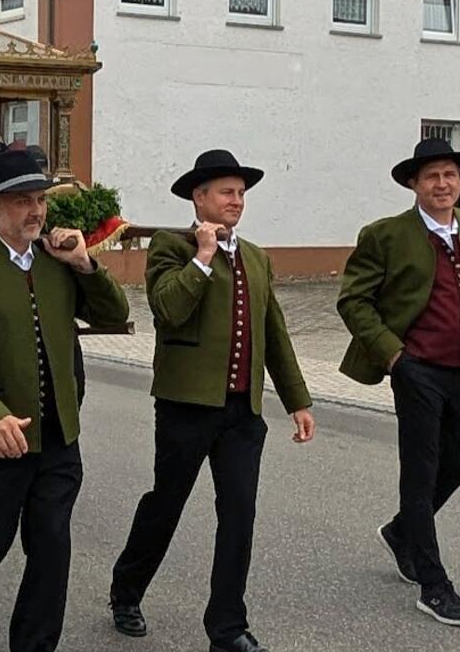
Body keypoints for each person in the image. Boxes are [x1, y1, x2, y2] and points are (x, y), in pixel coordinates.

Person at [0, 150, 129, 652]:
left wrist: (84, 263)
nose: (35, 211)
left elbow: (114, 314)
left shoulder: (59, 261)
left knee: (51, 545)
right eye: (21, 201)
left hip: (58, 438)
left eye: (40, 200)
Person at [109, 150, 316, 652]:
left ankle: (227, 627)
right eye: (227, 192)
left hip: (242, 413)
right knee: (166, 504)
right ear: (198, 197)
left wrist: (297, 399)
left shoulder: (256, 258)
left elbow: (274, 332)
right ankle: (126, 590)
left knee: (239, 514)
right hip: (185, 406)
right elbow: (168, 309)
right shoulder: (171, 247)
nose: (236, 200)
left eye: (241, 193)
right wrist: (202, 257)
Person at [337, 138, 460, 627]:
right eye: (432, 176)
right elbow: (354, 301)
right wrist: (394, 355)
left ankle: (401, 532)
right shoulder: (385, 235)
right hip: (416, 369)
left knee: (458, 466)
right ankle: (434, 585)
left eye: (450, 175)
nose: (443, 184)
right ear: (414, 184)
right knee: (420, 474)